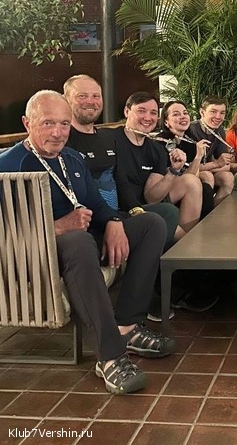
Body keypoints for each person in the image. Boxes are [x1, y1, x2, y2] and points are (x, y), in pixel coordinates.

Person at [0, 90, 175, 394]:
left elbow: (96, 203)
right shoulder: (8, 165)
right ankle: (110, 356)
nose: (58, 133)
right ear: (27, 123)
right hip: (37, 251)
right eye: (48, 123)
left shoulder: (72, 158)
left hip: (81, 240)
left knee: (151, 224)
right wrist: (57, 227)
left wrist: (114, 222)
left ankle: (128, 327)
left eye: (64, 124)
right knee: (79, 241)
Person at [63, 75, 180, 241]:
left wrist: (135, 210)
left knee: (168, 213)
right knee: (154, 222)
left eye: (96, 96)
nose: (90, 101)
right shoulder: (63, 140)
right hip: (91, 221)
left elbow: (120, 180)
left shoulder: (106, 138)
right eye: (82, 96)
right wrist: (112, 219)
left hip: (118, 213)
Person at [114, 92, 203, 240]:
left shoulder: (157, 150)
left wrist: (173, 171)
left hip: (146, 207)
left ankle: (186, 244)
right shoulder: (111, 139)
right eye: (141, 111)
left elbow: (151, 197)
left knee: (185, 238)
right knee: (173, 219)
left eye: (153, 113)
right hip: (120, 211)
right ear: (127, 111)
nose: (148, 117)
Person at [156, 99, 216, 214]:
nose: (183, 117)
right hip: (165, 190)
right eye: (176, 114)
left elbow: (193, 176)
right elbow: (185, 179)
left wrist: (198, 156)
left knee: (206, 190)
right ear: (166, 122)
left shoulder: (191, 142)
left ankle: (206, 223)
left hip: (186, 185)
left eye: (185, 113)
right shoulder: (160, 143)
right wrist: (198, 157)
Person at [186, 96, 235, 205]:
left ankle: (217, 212)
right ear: (202, 112)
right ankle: (204, 212)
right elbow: (189, 167)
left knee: (228, 177)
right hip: (189, 172)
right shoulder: (191, 130)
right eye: (213, 112)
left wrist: (214, 165)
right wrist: (215, 164)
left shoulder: (219, 131)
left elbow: (226, 166)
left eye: (222, 113)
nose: (218, 117)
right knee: (207, 176)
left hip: (207, 169)